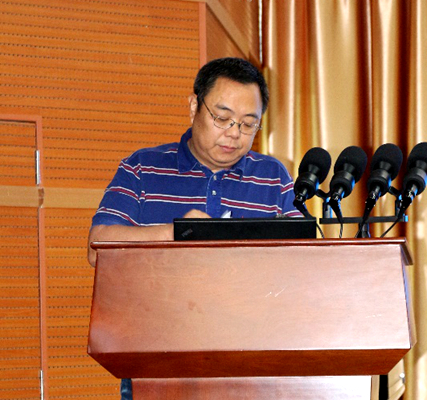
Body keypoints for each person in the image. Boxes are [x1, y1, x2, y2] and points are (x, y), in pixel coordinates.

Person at [87, 57, 302, 400]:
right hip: (156, 362)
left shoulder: (272, 177)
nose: (234, 133)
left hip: (254, 361)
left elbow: (304, 257)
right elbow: (98, 246)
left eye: (249, 124)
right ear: (193, 107)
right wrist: (177, 233)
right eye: (222, 118)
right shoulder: (142, 168)